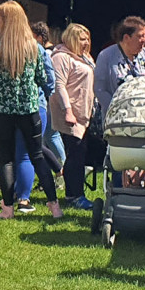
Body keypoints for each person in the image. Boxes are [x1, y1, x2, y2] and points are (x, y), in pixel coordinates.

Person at [0, 0, 62, 220]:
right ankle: (54, 206)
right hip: (29, 108)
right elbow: (42, 78)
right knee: (37, 155)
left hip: (2, 110)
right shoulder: (34, 47)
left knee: (6, 159)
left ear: (5, 21)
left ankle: (7, 208)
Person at [12, 20, 61, 212]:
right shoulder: (38, 49)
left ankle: (11, 196)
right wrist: (46, 92)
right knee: (30, 153)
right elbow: (49, 78)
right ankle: (23, 199)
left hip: (7, 108)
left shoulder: (2, 48)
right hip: (35, 105)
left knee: (14, 153)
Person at [50, 23, 96, 210]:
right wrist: (68, 110)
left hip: (84, 113)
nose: (85, 43)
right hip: (69, 112)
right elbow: (59, 85)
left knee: (80, 152)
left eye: (87, 39)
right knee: (75, 153)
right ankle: (73, 195)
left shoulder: (85, 58)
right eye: (81, 39)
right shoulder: (61, 57)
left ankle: (77, 193)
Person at [93, 15, 145, 111]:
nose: (144, 40)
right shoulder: (106, 56)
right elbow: (100, 90)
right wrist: (116, 109)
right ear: (126, 37)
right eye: (140, 36)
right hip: (117, 117)